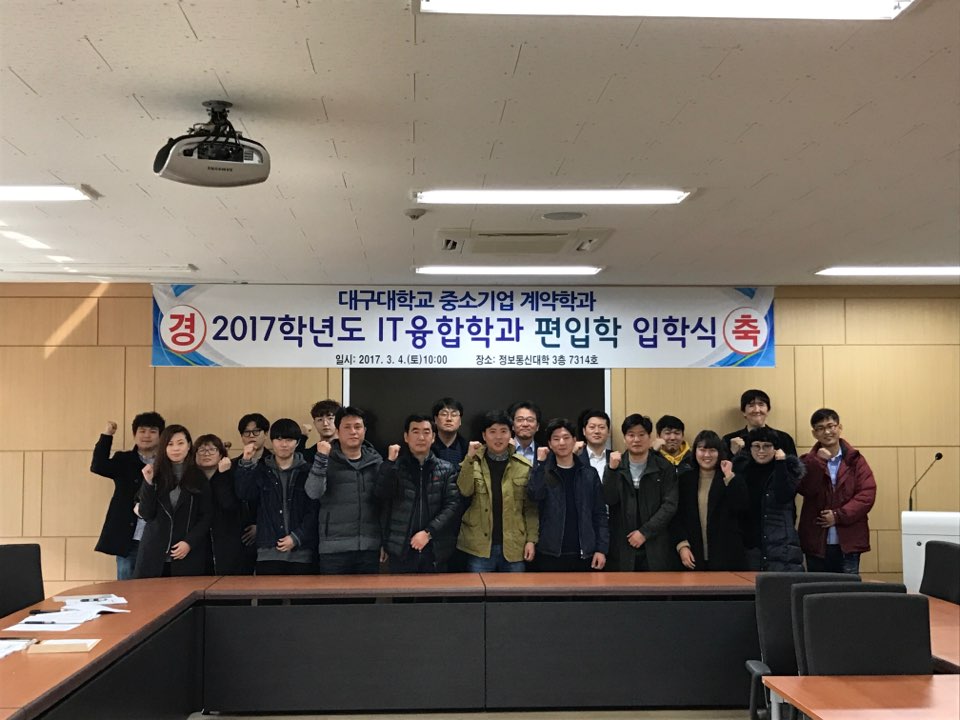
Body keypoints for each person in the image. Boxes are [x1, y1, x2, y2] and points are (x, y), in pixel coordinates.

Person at [376, 414, 461, 573]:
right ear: (406, 437)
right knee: (401, 588)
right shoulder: (395, 467)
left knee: (434, 589)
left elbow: (452, 506)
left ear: (433, 437)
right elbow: (382, 497)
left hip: (435, 549)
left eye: (426, 432)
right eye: (415, 431)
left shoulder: (447, 469)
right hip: (401, 548)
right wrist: (389, 463)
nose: (421, 437)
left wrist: (428, 533)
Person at [235, 418, 319, 575]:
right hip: (268, 551)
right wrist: (246, 462)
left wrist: (297, 537)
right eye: (279, 439)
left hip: (301, 551)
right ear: (272, 442)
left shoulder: (308, 471)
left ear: (297, 442)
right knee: (268, 592)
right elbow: (244, 493)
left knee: (302, 592)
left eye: (289, 440)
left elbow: (314, 510)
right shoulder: (261, 470)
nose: (284, 444)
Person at [306, 406, 384, 574]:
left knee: (367, 592)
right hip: (334, 548)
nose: (353, 432)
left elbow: (384, 504)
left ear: (365, 431)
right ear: (338, 431)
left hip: (369, 547)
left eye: (357, 427)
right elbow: (313, 492)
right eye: (347, 427)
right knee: (334, 592)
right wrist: (321, 459)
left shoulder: (376, 461)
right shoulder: (325, 458)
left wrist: (383, 541)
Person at [457, 410, 538, 572]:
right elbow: (465, 491)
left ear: (511, 434)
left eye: (503, 431)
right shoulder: (473, 462)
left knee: (515, 589)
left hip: (514, 546)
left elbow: (530, 508)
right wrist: (469, 459)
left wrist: (531, 540)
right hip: (479, 547)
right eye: (492, 432)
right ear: (484, 435)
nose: (498, 437)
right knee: (478, 588)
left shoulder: (523, 467)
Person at [798, 409, 877, 575]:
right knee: (816, 589)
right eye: (820, 428)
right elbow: (806, 489)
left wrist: (837, 516)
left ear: (839, 427)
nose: (827, 432)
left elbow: (866, 495)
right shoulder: (807, 461)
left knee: (848, 589)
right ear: (814, 433)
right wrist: (819, 462)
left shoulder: (856, 460)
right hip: (816, 541)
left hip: (849, 540)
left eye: (831, 426)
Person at [90, 412, 165, 579]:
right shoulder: (124, 460)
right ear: (134, 434)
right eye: (142, 431)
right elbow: (98, 466)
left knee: (157, 586)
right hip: (128, 537)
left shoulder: (166, 463)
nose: (147, 435)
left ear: (161, 436)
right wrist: (107, 435)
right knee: (125, 585)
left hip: (158, 536)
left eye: (152, 431)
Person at [528, 419, 608, 571]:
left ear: (574, 440)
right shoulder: (544, 472)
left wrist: (601, 549)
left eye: (566, 437)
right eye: (556, 439)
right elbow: (534, 495)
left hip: (584, 552)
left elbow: (600, 513)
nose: (562, 443)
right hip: (550, 551)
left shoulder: (589, 474)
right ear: (550, 444)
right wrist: (540, 464)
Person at [602, 413, 680, 571]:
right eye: (631, 435)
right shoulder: (615, 466)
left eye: (641, 435)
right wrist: (611, 471)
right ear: (624, 439)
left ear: (650, 438)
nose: (636, 440)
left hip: (655, 543)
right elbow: (609, 499)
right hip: (623, 544)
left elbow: (669, 505)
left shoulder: (664, 467)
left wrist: (645, 532)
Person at [134, 425, 211, 578]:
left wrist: (189, 542)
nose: (176, 448)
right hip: (153, 553)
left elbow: (207, 516)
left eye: (180, 443)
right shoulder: (154, 474)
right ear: (164, 448)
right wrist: (148, 483)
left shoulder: (199, 477)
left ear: (189, 446)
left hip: (186, 554)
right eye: (170, 444)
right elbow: (146, 513)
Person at [671, 430, 748, 571]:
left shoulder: (731, 478)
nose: (707, 455)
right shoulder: (685, 480)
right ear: (695, 451)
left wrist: (729, 477)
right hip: (693, 555)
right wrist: (682, 545)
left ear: (719, 453)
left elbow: (741, 508)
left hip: (727, 557)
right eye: (702, 450)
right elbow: (676, 516)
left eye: (712, 450)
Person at [735, 426, 804, 572]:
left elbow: (783, 496)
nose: (761, 451)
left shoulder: (787, 470)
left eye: (767, 446)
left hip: (780, 544)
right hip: (750, 545)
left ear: (775, 448)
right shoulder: (742, 470)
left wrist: (780, 463)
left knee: (780, 585)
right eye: (756, 446)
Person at [194, 434, 255, 575]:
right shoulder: (190, 480)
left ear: (221, 454)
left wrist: (222, 475)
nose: (206, 454)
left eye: (212, 449)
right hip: (199, 544)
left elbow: (228, 504)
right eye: (202, 450)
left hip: (230, 544)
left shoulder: (232, 475)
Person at [722, 389, 797, 458]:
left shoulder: (784, 439)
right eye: (751, 405)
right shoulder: (729, 440)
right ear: (744, 412)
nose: (757, 410)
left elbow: (795, 467)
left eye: (761, 404)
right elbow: (722, 467)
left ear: (768, 410)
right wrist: (733, 453)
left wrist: (782, 461)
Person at [431, 397, 470, 465]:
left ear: (460, 421)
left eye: (454, 415)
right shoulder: (427, 446)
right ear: (436, 419)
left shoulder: (467, 448)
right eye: (444, 414)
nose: (449, 419)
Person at [302, 399, 341, 464]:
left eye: (330, 418)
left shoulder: (348, 449)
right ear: (314, 423)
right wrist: (303, 437)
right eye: (320, 420)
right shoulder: (310, 453)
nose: (325, 423)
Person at [578, 409, 612, 477]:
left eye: (601, 427)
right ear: (584, 431)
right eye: (592, 427)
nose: (597, 431)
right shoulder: (576, 458)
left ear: (608, 432)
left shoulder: (617, 459)